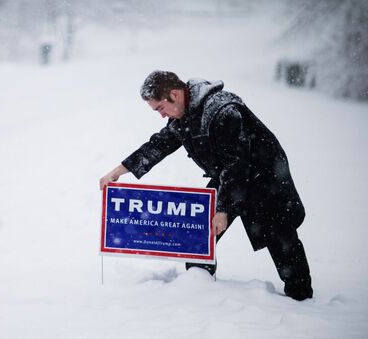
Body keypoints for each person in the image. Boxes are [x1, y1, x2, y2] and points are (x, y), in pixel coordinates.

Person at [99, 71, 313, 301]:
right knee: (198, 234)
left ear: (174, 94)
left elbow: (237, 164)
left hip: (264, 178)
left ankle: (301, 300)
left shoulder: (223, 110)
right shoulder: (184, 117)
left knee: (281, 239)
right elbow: (159, 145)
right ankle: (200, 291)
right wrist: (119, 171)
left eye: (160, 108)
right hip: (230, 177)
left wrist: (223, 210)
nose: (161, 116)